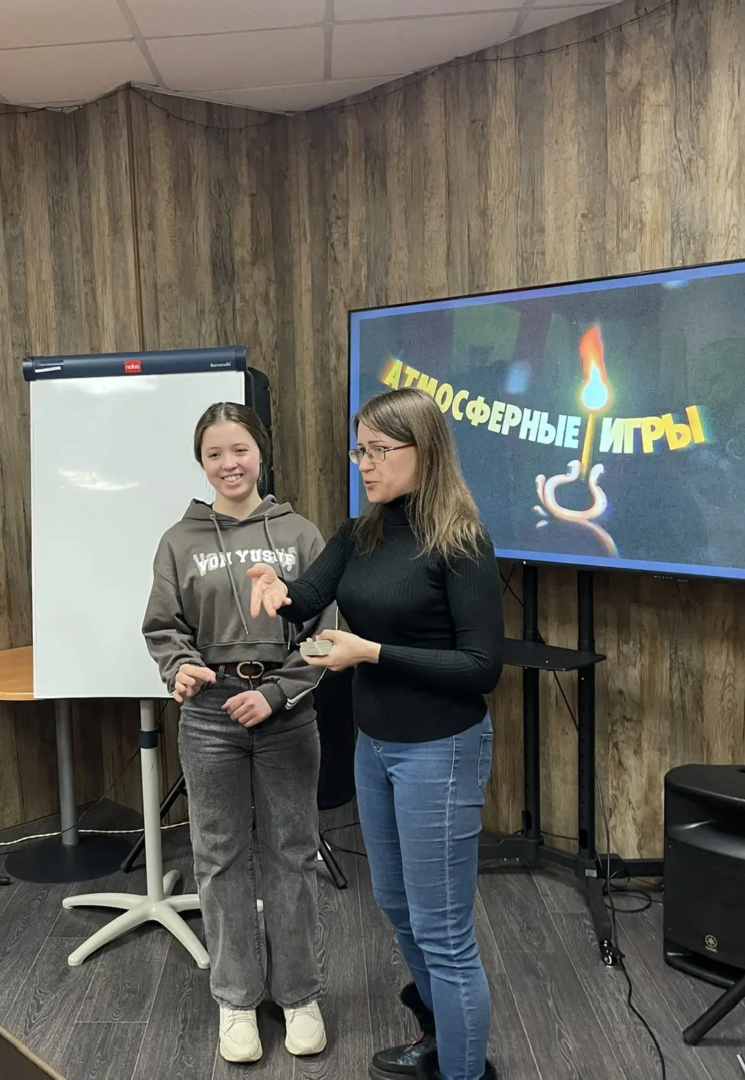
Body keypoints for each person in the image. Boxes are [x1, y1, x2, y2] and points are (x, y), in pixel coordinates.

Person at [248, 387, 505, 1080]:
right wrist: (276, 585)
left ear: (425, 451)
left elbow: (482, 667)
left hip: (441, 751)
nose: (365, 463)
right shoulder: (358, 534)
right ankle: (441, 1041)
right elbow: (306, 599)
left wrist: (371, 653)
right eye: (359, 450)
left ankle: (465, 1071)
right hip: (377, 748)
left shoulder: (462, 542)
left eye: (379, 450)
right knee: (396, 904)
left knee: (443, 931)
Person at [143, 402, 337, 1064]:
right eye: (215, 454)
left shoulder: (301, 534)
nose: (229, 464)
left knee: (292, 852)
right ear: (201, 463)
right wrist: (181, 667)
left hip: (286, 715)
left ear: (261, 453)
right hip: (209, 717)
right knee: (219, 856)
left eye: (240, 450)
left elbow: (324, 634)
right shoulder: (179, 541)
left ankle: (299, 995)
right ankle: (235, 1000)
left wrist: (276, 694)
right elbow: (163, 627)